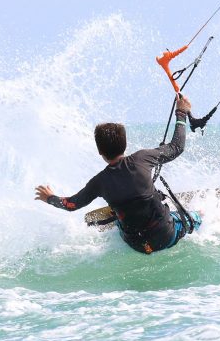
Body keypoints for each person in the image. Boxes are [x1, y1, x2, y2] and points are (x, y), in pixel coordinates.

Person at [35, 93, 201, 254]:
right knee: (196, 217)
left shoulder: (99, 182)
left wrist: (49, 197)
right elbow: (176, 147)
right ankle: (202, 217)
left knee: (121, 215)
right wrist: (181, 112)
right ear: (124, 144)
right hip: (165, 237)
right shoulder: (142, 159)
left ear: (100, 151)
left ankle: (119, 216)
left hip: (136, 245)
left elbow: (71, 205)